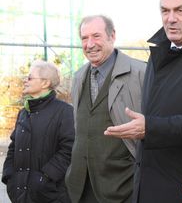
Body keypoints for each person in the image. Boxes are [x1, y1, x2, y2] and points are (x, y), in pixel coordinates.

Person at [104, 0, 182, 203]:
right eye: (165, 11)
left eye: (180, 10)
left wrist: (150, 128)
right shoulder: (160, 51)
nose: (171, 18)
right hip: (147, 182)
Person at [64, 15, 146, 203]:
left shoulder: (141, 73)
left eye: (96, 36)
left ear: (112, 36)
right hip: (80, 188)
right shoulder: (78, 77)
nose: (90, 44)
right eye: (84, 38)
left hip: (122, 187)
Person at [2, 60, 74, 203]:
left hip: (50, 194)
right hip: (20, 193)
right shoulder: (24, 112)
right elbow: (13, 146)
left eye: (29, 78)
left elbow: (69, 149)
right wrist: (9, 175)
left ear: (45, 83)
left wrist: (44, 178)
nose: (25, 81)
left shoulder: (64, 112)